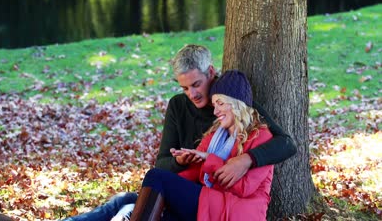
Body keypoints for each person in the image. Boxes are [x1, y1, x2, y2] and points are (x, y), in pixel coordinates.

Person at [64, 44, 296, 220]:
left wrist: (246, 160)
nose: (192, 94)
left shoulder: (237, 103)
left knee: (143, 197)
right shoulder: (189, 112)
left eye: (196, 85)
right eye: (184, 88)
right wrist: (182, 162)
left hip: (221, 201)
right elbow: (163, 162)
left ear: (211, 73)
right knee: (129, 200)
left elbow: (285, 144)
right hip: (198, 188)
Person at [130, 70, 274, 221]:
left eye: (220, 103)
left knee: (155, 176)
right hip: (212, 202)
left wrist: (209, 159)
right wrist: (174, 176)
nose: (215, 111)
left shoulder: (261, 136)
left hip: (237, 211)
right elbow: (194, 173)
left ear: (237, 103)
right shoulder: (215, 135)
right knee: (165, 215)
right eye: (214, 104)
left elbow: (244, 188)